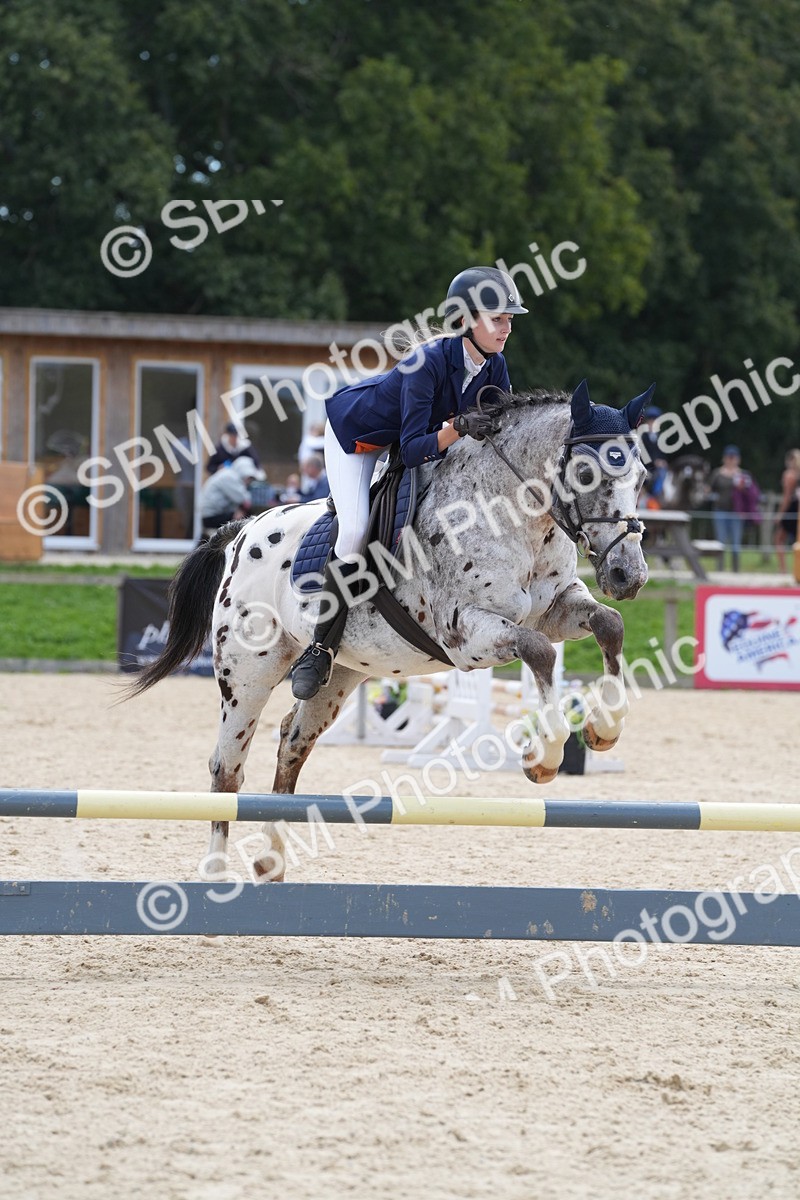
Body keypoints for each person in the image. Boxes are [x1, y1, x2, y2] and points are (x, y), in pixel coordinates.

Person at [290, 264, 528, 700]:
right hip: (358, 438)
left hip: (415, 438)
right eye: (498, 318)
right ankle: (319, 647)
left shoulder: (495, 365)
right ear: (466, 320)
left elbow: (500, 430)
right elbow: (412, 448)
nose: (506, 327)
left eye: (509, 319)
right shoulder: (426, 364)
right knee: (356, 528)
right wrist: (458, 426)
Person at [709, 445, 754, 571]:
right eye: (729, 457)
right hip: (720, 511)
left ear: (738, 459)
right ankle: (720, 569)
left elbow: (751, 494)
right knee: (720, 542)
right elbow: (709, 489)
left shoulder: (744, 475)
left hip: (736, 513)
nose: (731, 460)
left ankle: (736, 571)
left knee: (735, 544)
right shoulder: (717, 474)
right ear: (724, 459)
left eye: (733, 458)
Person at [198, 455, 265, 538]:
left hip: (212, 515)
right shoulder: (230, 477)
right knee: (245, 517)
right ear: (243, 472)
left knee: (241, 514)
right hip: (211, 518)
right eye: (249, 477)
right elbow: (245, 501)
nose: (250, 481)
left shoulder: (228, 474)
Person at [775, 448, 800, 573]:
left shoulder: (789, 475)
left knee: (779, 539)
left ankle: (783, 569)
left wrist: (780, 514)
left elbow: (787, 497)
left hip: (792, 509)